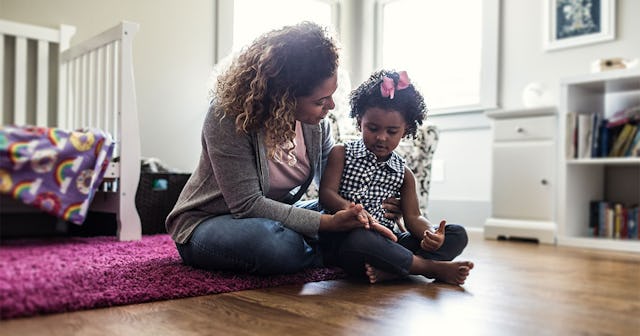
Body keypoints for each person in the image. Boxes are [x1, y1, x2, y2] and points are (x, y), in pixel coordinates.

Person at [165, 22, 400, 275]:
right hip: (209, 221)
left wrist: (368, 206)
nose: (330, 106)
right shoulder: (227, 116)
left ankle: (333, 249)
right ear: (283, 96)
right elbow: (248, 205)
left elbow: (335, 187)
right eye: (320, 101)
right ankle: (338, 253)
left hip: (274, 216)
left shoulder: (316, 125)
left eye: (331, 95)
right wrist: (330, 224)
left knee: (350, 221)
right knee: (273, 244)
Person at [319, 70, 474, 285]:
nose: (381, 137)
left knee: (457, 234)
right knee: (361, 240)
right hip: (349, 240)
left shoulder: (404, 173)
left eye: (392, 131)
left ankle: (394, 270)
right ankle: (428, 268)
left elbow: (413, 218)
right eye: (372, 128)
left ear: (406, 129)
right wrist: (355, 211)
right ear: (359, 122)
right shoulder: (341, 153)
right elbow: (326, 195)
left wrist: (430, 234)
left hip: (390, 241)